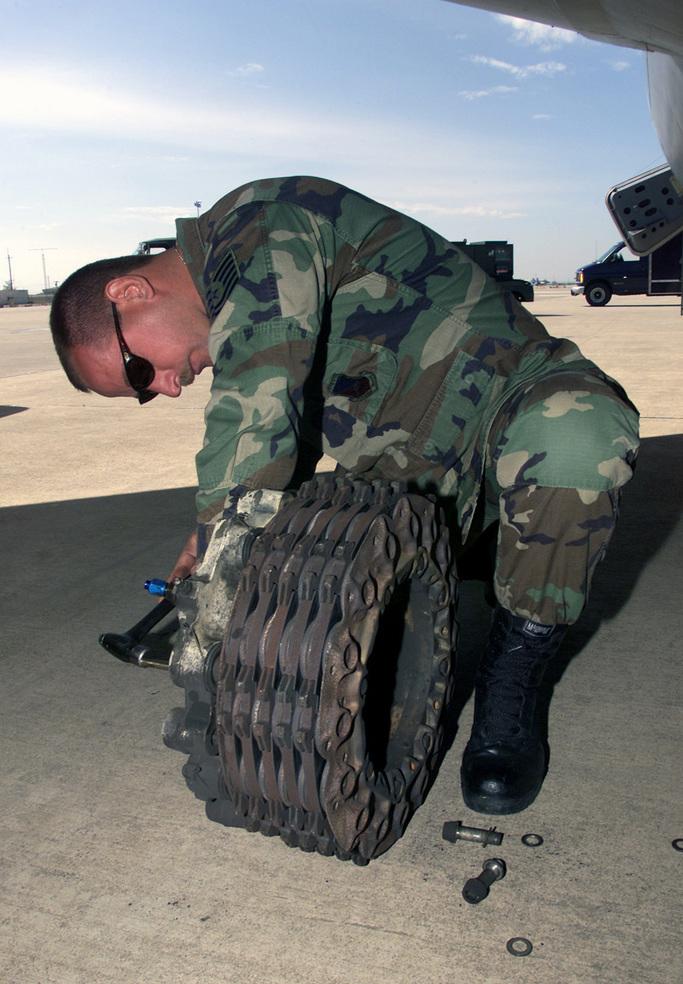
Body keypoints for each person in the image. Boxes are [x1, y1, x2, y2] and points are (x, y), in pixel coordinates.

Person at [50, 175, 639, 816]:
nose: (167, 387)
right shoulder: (241, 306)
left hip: (510, 414)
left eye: (140, 368)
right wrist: (215, 546)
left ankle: (512, 680)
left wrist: (222, 542)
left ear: (131, 291)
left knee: (578, 432)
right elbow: (288, 434)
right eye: (145, 391)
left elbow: (259, 396)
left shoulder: (261, 224)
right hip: (426, 491)